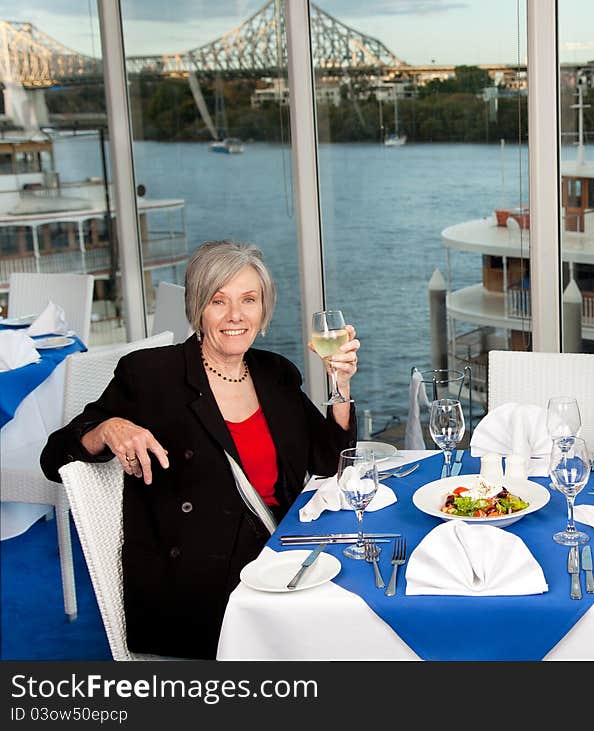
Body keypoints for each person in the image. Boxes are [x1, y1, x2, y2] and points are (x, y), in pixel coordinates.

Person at [41, 240, 360, 658]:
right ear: (197, 308)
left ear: (263, 311)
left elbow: (330, 461)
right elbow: (53, 456)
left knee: (364, 612)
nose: (235, 316)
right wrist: (108, 428)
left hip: (279, 557)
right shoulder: (151, 374)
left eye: (249, 300)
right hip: (196, 584)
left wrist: (340, 384)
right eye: (218, 301)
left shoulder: (275, 373)